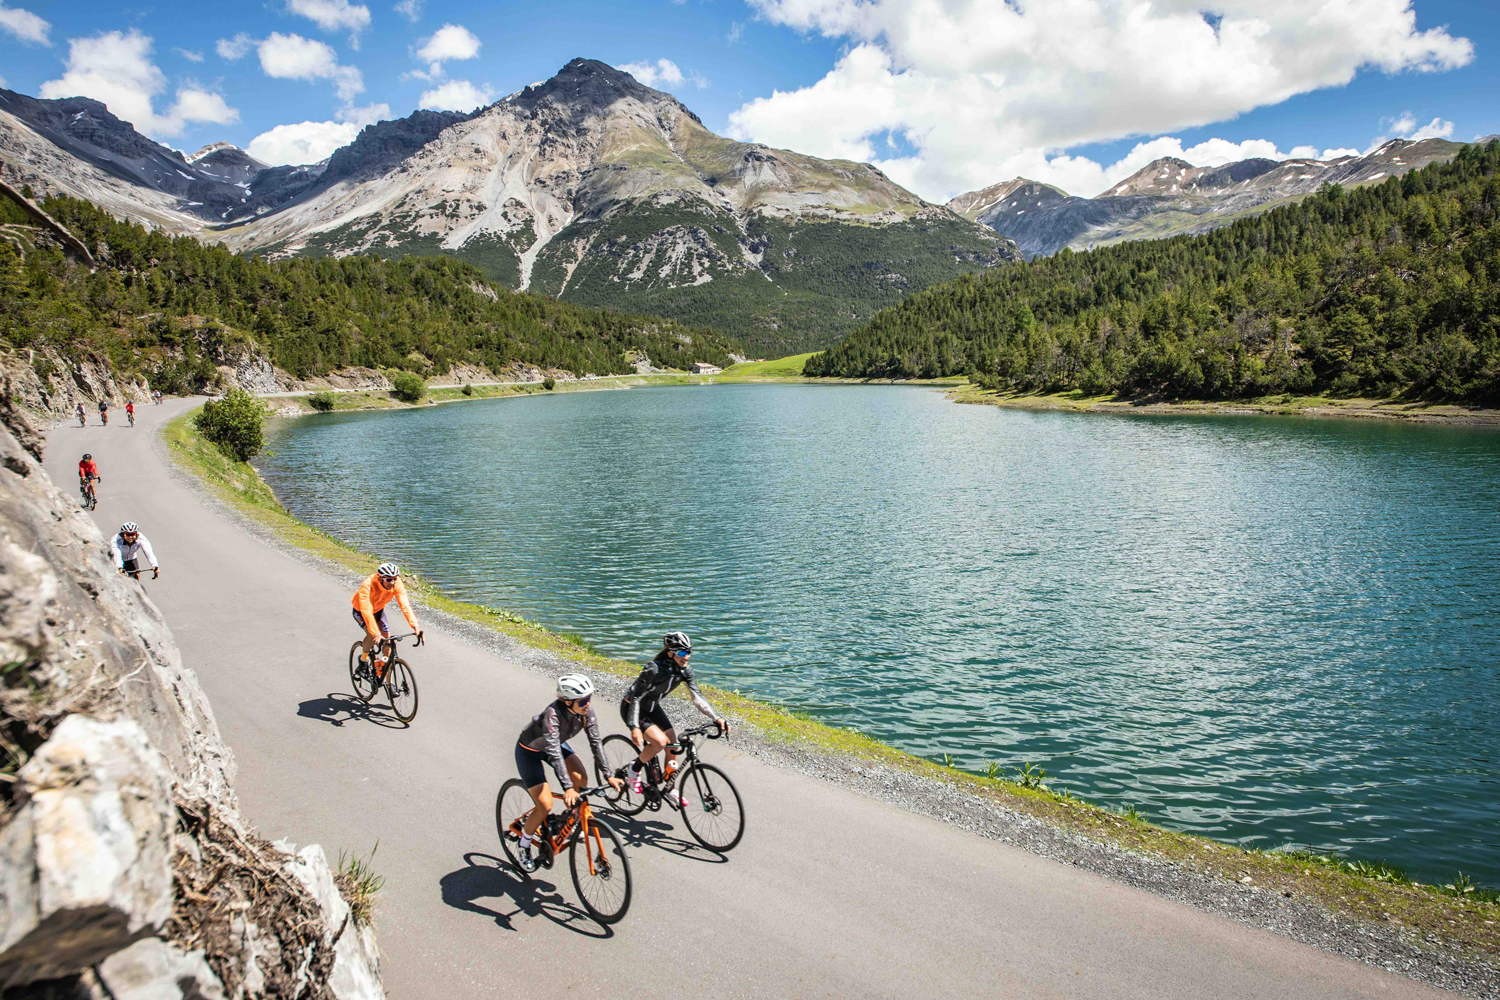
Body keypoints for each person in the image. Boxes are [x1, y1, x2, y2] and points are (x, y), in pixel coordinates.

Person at [513, 674, 622, 873]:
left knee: (582, 777)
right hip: (530, 751)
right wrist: (568, 788)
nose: (588, 704)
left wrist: (608, 775)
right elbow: (554, 753)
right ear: (567, 701)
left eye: (589, 699)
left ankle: (568, 821)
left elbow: (596, 743)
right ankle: (524, 845)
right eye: (583, 701)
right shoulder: (552, 715)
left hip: (554, 745)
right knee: (544, 804)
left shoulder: (586, 712)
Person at [620, 632, 728, 804]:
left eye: (689, 652)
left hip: (653, 707)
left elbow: (697, 697)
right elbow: (636, 698)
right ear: (670, 653)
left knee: (673, 743)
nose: (687, 657)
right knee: (660, 742)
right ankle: (634, 768)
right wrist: (634, 727)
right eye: (682, 653)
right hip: (633, 709)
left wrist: (717, 718)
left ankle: (669, 788)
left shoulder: (686, 671)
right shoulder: (654, 669)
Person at [351, 562, 423, 680]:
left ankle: (387, 681)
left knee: (388, 640)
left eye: (395, 579)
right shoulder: (367, 585)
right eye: (389, 579)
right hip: (361, 611)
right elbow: (367, 612)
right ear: (380, 578)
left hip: (378, 610)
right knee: (371, 634)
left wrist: (415, 626)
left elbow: (405, 605)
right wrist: (376, 633)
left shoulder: (396, 584)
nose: (393, 582)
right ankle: (363, 662)